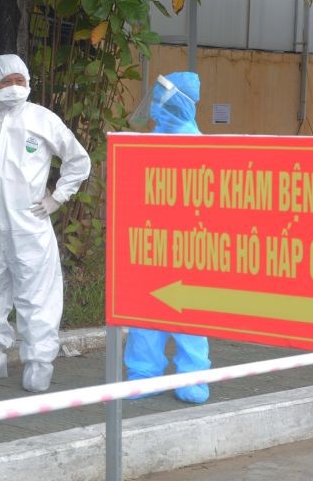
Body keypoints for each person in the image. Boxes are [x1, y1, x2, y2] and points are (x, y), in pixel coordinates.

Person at [0, 54, 91, 393]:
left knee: (36, 291)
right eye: (6, 81)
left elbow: (78, 159)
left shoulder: (42, 119)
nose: (13, 87)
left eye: (19, 80)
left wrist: (58, 197)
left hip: (28, 222)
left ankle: (39, 361)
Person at [124, 72, 211, 404]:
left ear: (179, 103)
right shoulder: (145, 144)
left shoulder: (202, 147)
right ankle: (143, 373)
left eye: (164, 100)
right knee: (145, 313)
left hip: (190, 248)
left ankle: (193, 376)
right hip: (150, 246)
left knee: (190, 315)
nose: (158, 107)